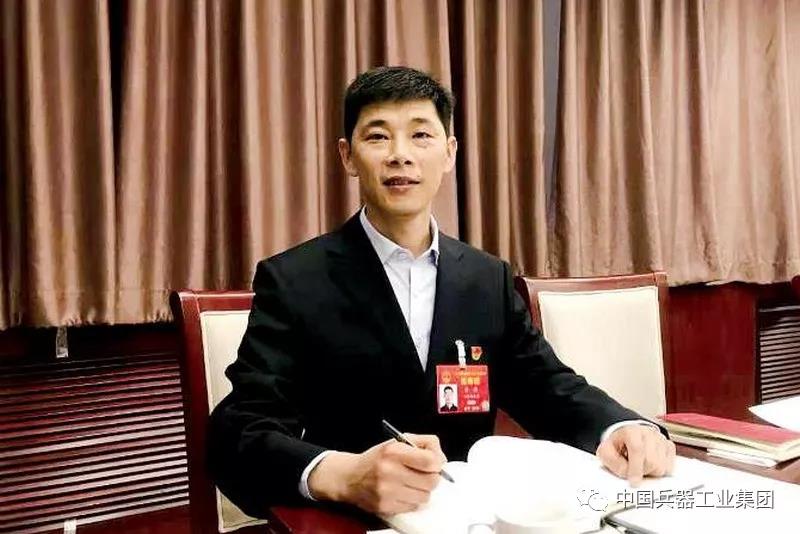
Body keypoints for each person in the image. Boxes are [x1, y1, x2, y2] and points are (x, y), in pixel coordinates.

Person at [208, 66, 676, 518]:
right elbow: (239, 432)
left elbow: (549, 386)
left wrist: (620, 426)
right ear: (347, 156)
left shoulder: (486, 278)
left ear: (449, 153)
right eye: (378, 136)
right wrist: (343, 476)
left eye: (420, 135)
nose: (400, 155)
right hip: (350, 522)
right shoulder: (295, 280)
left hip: (470, 520)